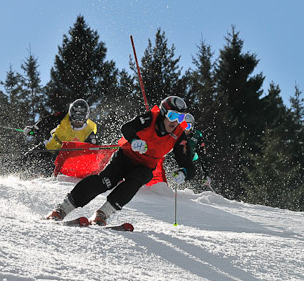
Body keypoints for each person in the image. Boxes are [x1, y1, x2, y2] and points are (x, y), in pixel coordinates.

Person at [46, 95, 197, 226]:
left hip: (145, 166)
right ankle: (62, 208)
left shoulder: (179, 135)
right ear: (163, 113)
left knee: (136, 180)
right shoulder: (149, 119)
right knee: (105, 181)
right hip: (125, 157)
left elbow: (189, 166)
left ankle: (103, 213)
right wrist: (135, 140)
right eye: (172, 116)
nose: (176, 122)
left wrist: (183, 173)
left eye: (181, 118)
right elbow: (127, 128)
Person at [22, 99, 98, 175]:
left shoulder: (90, 129)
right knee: (28, 157)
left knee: (51, 166)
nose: (77, 121)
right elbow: (47, 121)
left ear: (86, 117)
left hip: (68, 159)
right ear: (71, 114)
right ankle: (16, 174)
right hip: (49, 148)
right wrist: (35, 128)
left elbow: (92, 148)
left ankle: (46, 176)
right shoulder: (63, 117)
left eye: (80, 118)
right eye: (75, 117)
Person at [182, 113, 211, 189]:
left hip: (189, 161)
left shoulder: (197, 137)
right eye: (183, 126)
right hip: (174, 158)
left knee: (193, 171)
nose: (185, 130)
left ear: (192, 127)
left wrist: (206, 174)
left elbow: (203, 156)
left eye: (188, 126)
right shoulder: (175, 133)